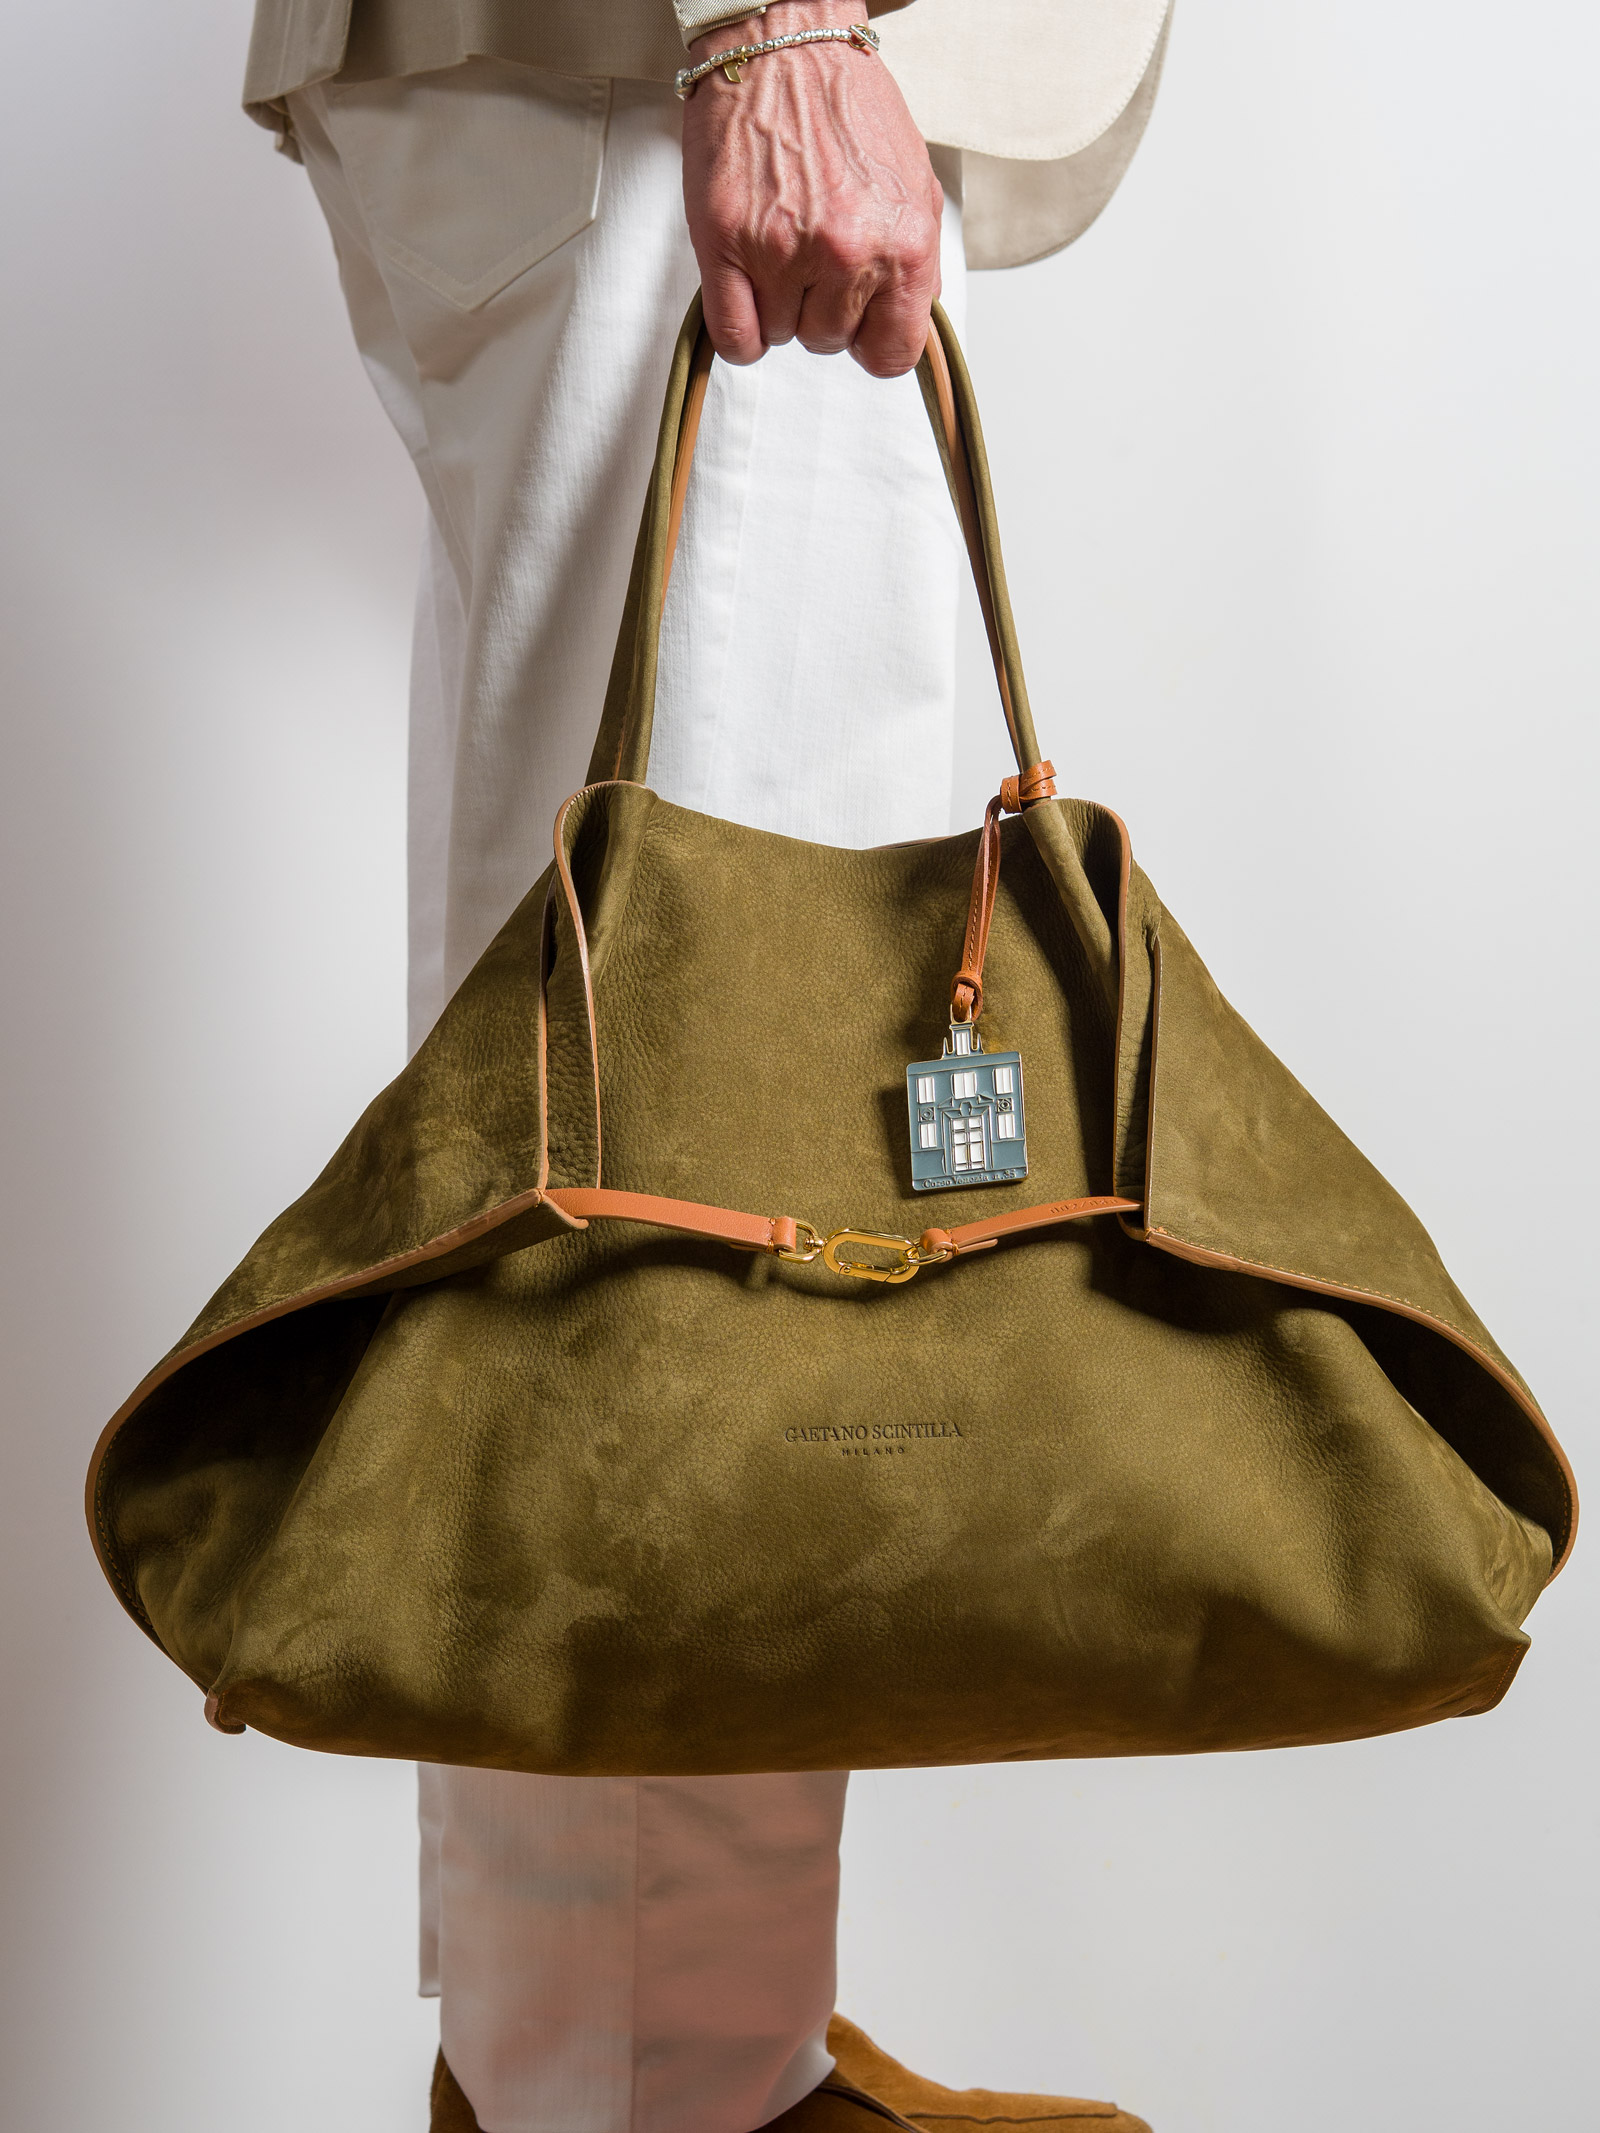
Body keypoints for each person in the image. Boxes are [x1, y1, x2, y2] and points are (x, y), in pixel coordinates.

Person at [242, 3, 1171, 2129]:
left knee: (629, 1083)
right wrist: (774, 23)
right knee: (702, 1141)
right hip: (688, 72)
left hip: (614, 89)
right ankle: (658, 2085)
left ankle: (616, 2050)